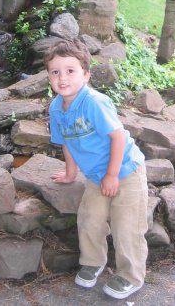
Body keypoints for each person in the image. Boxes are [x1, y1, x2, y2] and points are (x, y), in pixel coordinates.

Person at [44, 39, 148, 300]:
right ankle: (93, 261)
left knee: (127, 227)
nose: (62, 77)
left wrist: (112, 175)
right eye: (55, 72)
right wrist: (70, 174)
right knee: (89, 218)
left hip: (126, 172)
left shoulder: (94, 102)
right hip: (95, 176)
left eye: (70, 70)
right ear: (49, 77)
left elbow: (118, 138)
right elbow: (66, 142)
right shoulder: (56, 108)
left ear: (86, 75)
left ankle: (131, 275)